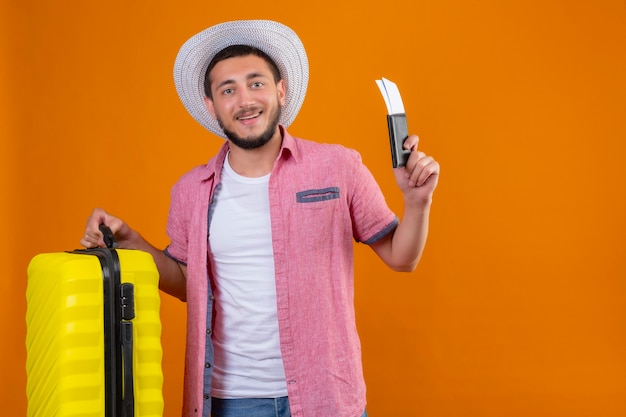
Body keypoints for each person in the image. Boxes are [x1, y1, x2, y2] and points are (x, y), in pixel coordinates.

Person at [81, 20, 439, 417]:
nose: (245, 100)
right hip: (230, 400)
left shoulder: (338, 166)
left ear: (280, 90)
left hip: (325, 395)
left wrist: (416, 203)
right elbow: (187, 282)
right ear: (211, 105)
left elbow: (402, 258)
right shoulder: (190, 191)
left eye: (256, 83)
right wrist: (131, 239)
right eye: (227, 90)